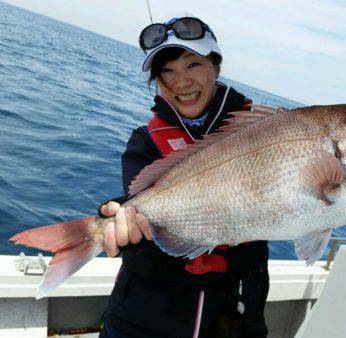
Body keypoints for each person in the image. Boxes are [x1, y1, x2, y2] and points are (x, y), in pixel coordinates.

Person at [98, 16, 269, 338]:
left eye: (193, 65)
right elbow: (143, 206)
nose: (181, 81)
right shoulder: (145, 141)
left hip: (233, 320)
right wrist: (116, 217)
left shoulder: (259, 131)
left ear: (216, 68)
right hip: (142, 321)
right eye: (167, 71)